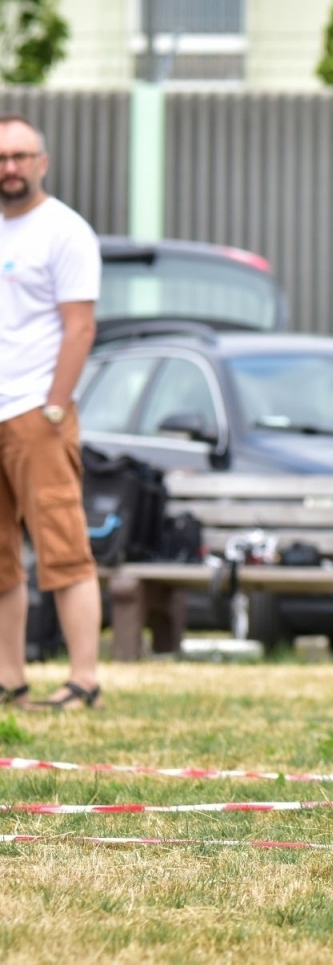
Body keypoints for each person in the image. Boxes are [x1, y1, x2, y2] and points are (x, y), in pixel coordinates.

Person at [0, 114, 104, 711]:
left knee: (62, 550)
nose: (10, 167)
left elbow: (79, 327)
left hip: (36, 415)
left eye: (20, 155)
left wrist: (55, 408)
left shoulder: (63, 231)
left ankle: (83, 680)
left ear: (41, 161)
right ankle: (11, 678)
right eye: (2, 157)